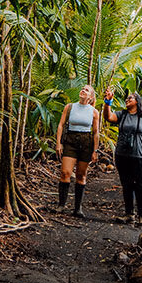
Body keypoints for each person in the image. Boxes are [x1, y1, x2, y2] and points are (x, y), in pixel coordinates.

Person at [103, 87, 142, 227]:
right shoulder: (122, 115)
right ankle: (129, 214)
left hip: (140, 156)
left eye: (131, 98)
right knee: (127, 185)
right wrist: (107, 102)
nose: (128, 99)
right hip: (122, 155)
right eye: (127, 98)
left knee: (141, 185)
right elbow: (108, 117)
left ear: (137, 102)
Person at [55, 85, 99, 218]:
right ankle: (61, 205)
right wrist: (58, 143)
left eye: (86, 90)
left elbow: (96, 132)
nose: (83, 90)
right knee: (65, 172)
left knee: (81, 175)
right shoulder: (69, 107)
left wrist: (95, 150)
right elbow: (61, 125)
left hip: (86, 142)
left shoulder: (94, 112)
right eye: (82, 89)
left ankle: (77, 208)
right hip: (71, 140)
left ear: (90, 97)